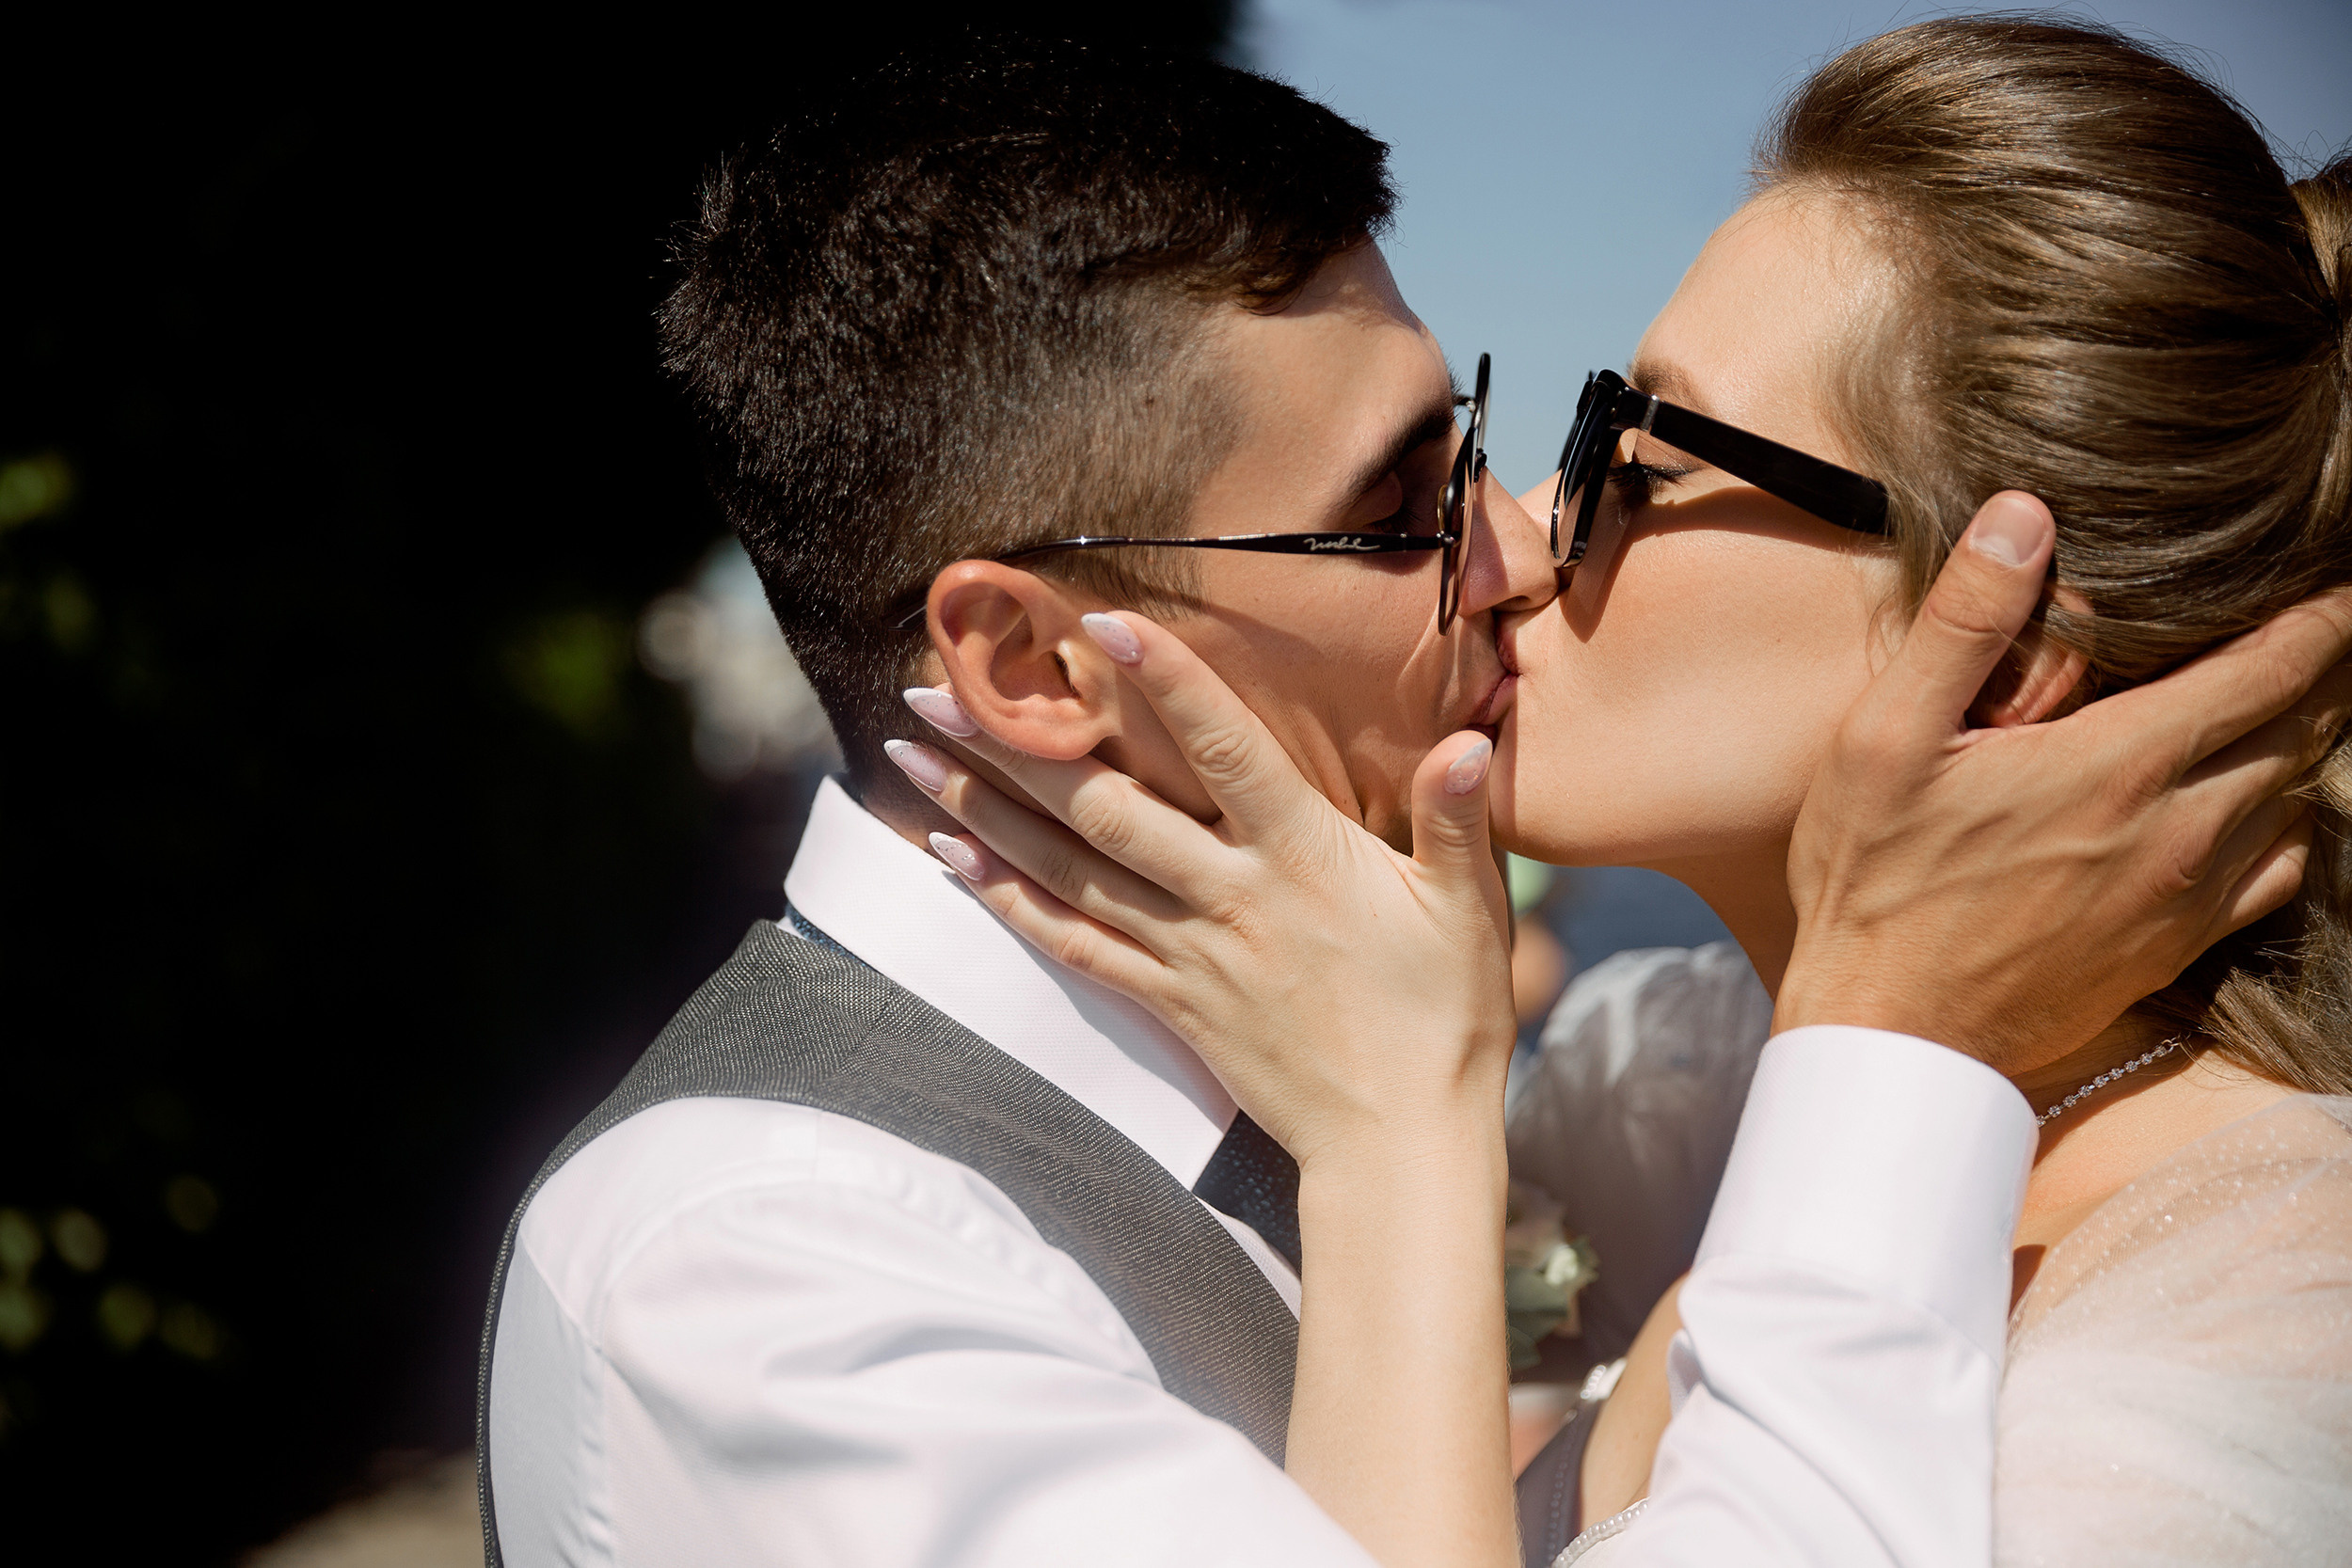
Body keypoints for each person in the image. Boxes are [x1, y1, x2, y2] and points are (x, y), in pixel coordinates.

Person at [477, 29, 2346, 1568]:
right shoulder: (774, 1277)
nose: (1515, 549)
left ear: (2003, 641)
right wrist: (1862, 1060)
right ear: (1035, 668)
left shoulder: (2206, 1355)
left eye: (1615, 455)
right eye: (1397, 517)